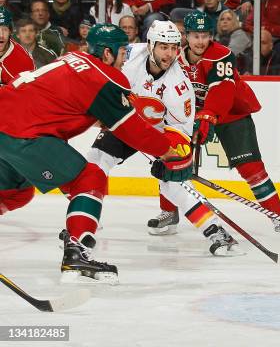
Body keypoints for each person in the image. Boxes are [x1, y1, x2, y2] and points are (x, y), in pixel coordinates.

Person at [0, 23, 191, 284]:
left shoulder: (72, 58)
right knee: (90, 178)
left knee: (16, 193)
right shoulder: (106, 77)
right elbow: (131, 130)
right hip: (25, 134)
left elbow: (69, 101)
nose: (125, 60)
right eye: (122, 52)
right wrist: (165, 152)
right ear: (108, 53)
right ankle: (77, 252)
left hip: (7, 123)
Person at [85, 20, 241, 256]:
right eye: (163, 47)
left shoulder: (179, 89)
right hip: (127, 121)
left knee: (172, 185)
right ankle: (85, 226)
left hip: (160, 131)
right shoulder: (128, 56)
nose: (169, 54)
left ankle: (216, 231)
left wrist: (173, 159)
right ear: (150, 45)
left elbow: (180, 134)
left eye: (173, 48)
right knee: (95, 162)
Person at [151, 11, 280, 237]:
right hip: (191, 116)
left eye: (205, 35)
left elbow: (222, 91)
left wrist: (208, 116)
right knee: (171, 156)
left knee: (252, 169)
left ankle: (279, 218)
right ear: (186, 36)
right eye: (195, 36)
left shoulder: (221, 55)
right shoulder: (175, 57)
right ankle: (169, 211)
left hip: (230, 114)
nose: (200, 41)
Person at [0, 7, 35, 86]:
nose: (1, 35)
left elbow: (28, 95)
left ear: (10, 31)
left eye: (4, 29)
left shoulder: (23, 61)